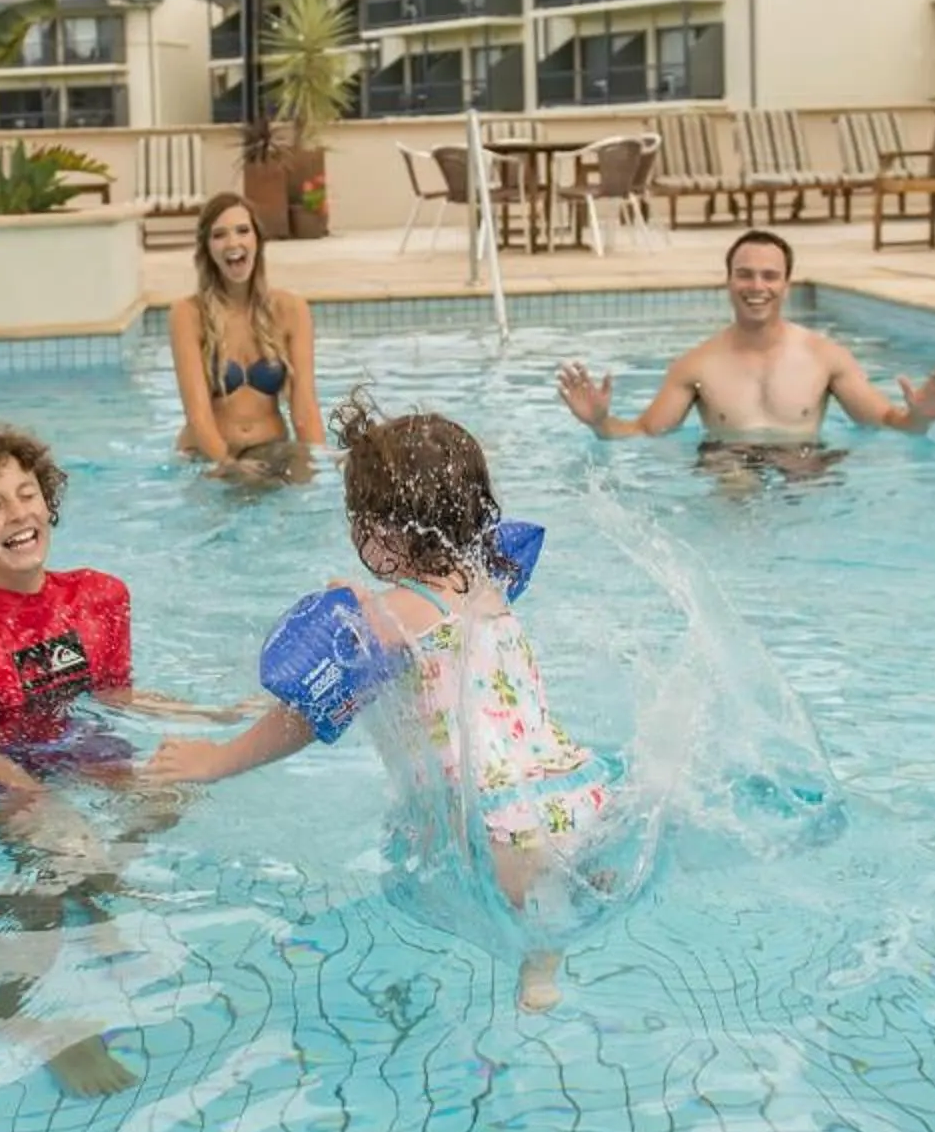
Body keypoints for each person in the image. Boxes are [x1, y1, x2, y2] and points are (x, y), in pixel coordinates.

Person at [145, 399, 605, 1013]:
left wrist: (219, 759)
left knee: (428, 919)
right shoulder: (490, 585)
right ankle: (543, 962)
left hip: (491, 834)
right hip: (575, 802)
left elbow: (311, 713)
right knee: (552, 907)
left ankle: (530, 960)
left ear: (378, 535)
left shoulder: (386, 621)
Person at [0, 424, 247, 1095]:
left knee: (173, 790)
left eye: (26, 493)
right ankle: (9, 1012)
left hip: (61, 742)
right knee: (65, 843)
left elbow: (112, 694)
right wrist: (33, 797)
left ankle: (97, 906)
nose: (19, 511)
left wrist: (207, 716)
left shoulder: (97, 598)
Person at [555, 229, 935, 476]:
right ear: (728, 281)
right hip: (726, 459)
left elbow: (889, 423)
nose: (757, 286)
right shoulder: (696, 365)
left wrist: (920, 417)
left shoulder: (826, 358)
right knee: (730, 482)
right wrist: (601, 423)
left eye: (770, 276)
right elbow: (646, 431)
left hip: (806, 461)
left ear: (787, 284)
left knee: (810, 489)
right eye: (745, 274)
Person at [169, 192, 325, 482]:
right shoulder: (188, 315)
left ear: (257, 241)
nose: (233, 243)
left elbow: (304, 408)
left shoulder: (291, 310)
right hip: (207, 454)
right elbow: (198, 415)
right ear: (207, 248)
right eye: (219, 235)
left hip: (271, 450)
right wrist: (227, 462)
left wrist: (320, 462)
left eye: (243, 231)